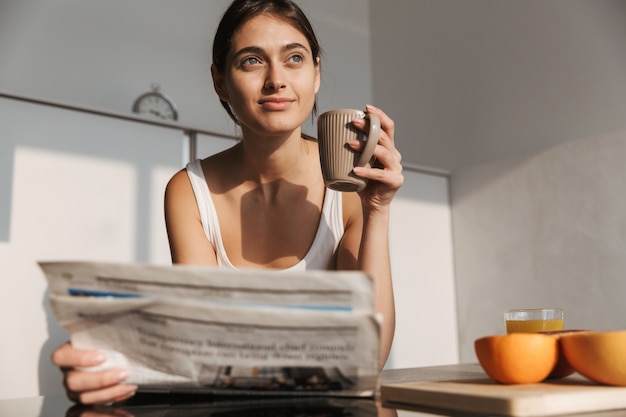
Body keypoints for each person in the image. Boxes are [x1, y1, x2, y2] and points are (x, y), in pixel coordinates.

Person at [51, 0, 403, 404]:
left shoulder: (349, 189)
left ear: (316, 72)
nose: (276, 80)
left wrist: (378, 209)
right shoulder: (189, 190)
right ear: (220, 81)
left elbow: (369, 357)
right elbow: (202, 349)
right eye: (252, 61)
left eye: (294, 58)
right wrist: (109, 363)